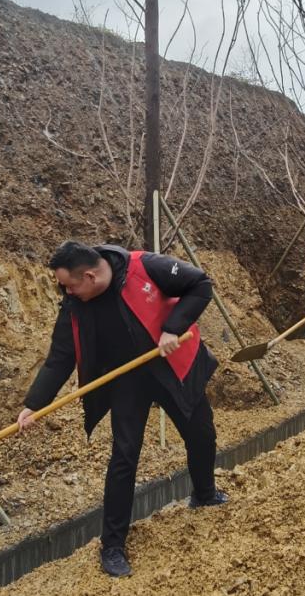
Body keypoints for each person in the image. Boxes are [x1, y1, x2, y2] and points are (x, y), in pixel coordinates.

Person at [18, 241, 225, 578]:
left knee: (201, 433)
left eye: (69, 285)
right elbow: (59, 357)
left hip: (169, 364)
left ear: (89, 276)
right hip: (126, 380)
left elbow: (200, 284)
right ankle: (112, 546)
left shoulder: (145, 267)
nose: (66, 292)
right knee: (124, 457)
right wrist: (33, 405)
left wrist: (173, 327)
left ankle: (204, 494)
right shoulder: (75, 304)